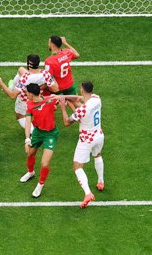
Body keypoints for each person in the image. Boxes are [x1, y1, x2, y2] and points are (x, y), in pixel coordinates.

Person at [58, 81, 105, 209]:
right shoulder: (96, 99)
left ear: (82, 89)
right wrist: (66, 97)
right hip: (98, 135)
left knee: (77, 167)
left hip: (86, 139)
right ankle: (101, 182)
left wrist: (63, 107)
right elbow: (78, 99)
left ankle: (88, 193)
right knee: (97, 155)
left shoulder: (83, 109)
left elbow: (67, 122)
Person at [0, 54, 58, 131]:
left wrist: (1, 83)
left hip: (25, 101)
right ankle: (11, 87)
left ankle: (33, 133)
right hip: (38, 97)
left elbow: (12, 95)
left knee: (20, 116)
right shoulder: (46, 74)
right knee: (20, 69)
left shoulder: (25, 78)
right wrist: (45, 83)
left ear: (29, 64)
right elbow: (56, 89)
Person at [20, 83, 60, 198]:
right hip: (37, 132)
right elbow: (28, 122)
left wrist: (58, 104)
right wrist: (27, 139)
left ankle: (40, 185)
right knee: (30, 154)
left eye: (27, 93)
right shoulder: (29, 104)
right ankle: (31, 172)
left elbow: (64, 98)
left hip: (50, 134)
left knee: (45, 163)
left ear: (31, 94)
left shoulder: (50, 99)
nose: (26, 94)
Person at [44, 35, 80, 108]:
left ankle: (53, 105)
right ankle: (86, 112)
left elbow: (49, 77)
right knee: (76, 102)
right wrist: (66, 43)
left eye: (49, 43)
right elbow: (77, 55)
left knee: (45, 100)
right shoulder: (67, 52)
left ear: (53, 45)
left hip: (58, 88)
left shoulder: (49, 61)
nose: (48, 44)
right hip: (69, 85)